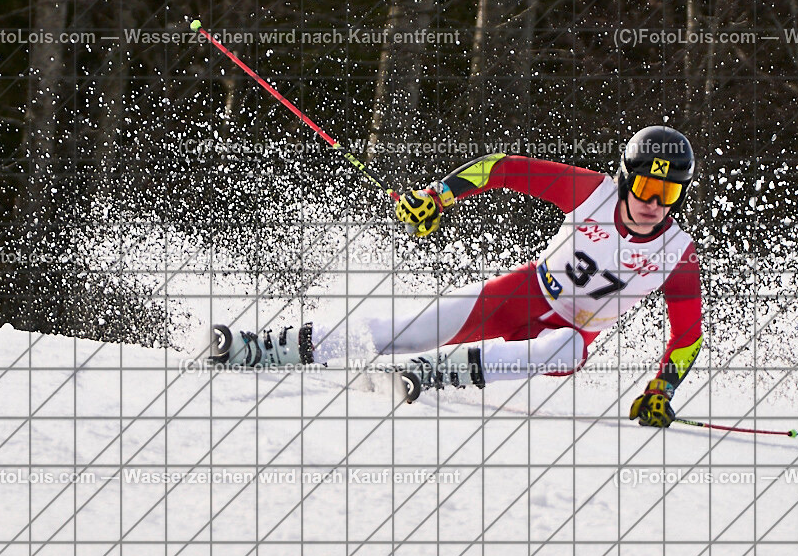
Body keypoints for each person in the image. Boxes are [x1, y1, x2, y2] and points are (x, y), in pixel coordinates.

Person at [214, 126, 704, 429]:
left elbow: (687, 334)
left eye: (668, 193)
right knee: (411, 327)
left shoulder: (677, 253)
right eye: (644, 186)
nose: (653, 203)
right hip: (521, 293)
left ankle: (436, 373)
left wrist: (662, 388)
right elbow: (503, 167)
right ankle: (265, 346)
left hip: (562, 334)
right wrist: (437, 196)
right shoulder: (590, 191)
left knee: (571, 350)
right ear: (624, 178)